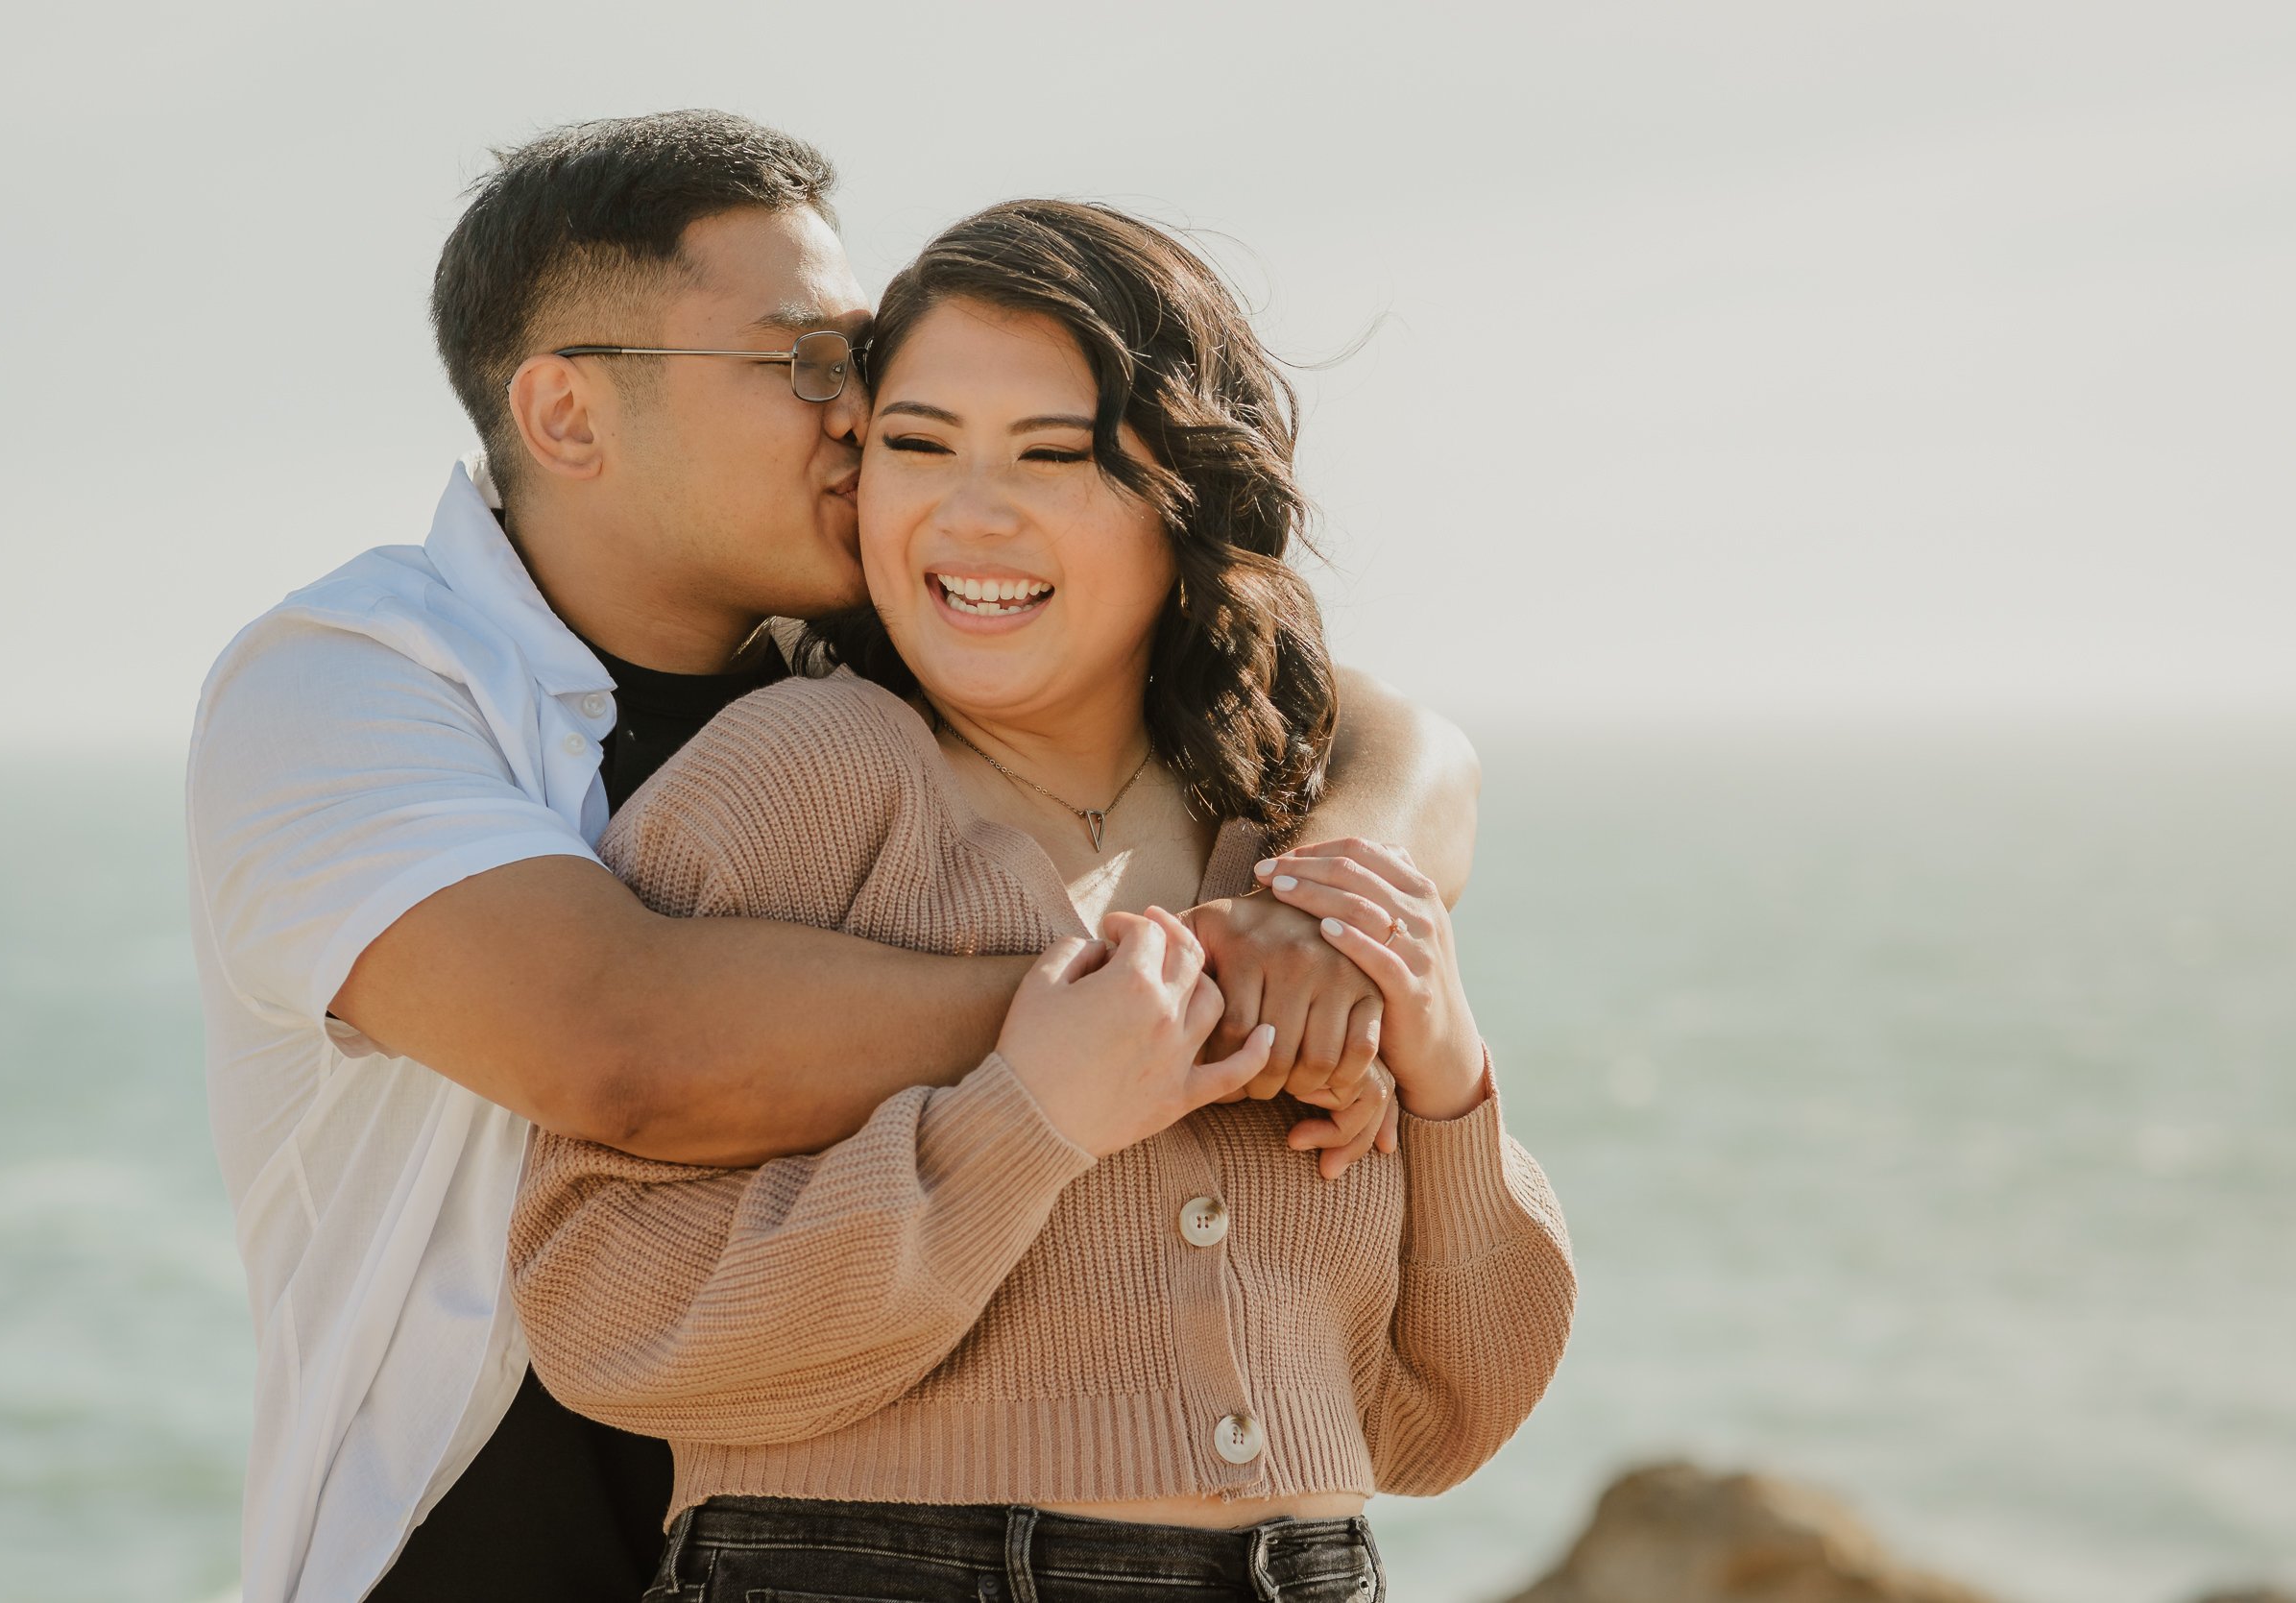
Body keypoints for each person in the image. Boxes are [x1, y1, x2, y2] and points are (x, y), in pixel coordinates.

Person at [183, 113, 1482, 1603]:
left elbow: (1385, 732)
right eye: (804, 362)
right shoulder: (350, 684)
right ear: (564, 416)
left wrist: (1323, 901)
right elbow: (624, 1044)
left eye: (864, 361)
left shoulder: (864, 656)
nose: (861, 413)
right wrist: (1180, 1003)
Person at [508, 199, 1574, 1603]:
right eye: (917, 445)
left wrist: (1441, 1082)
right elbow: (602, 1310)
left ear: (1185, 495)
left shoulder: (1288, 842)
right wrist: (1026, 1121)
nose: (971, 510)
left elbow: (1444, 1413)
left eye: (1054, 456)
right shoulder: (794, 778)